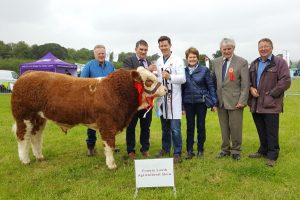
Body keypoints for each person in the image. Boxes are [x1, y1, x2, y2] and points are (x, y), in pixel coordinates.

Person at [248, 38, 291, 167]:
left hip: (271, 104)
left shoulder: (279, 63)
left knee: (271, 131)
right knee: (261, 129)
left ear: (271, 48)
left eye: (266, 46)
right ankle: (263, 150)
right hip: (256, 103)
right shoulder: (254, 63)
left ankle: (272, 155)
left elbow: (286, 81)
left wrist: (272, 94)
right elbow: (248, 80)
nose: (263, 49)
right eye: (261, 47)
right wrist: (251, 88)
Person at [211, 38, 249, 160]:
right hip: (220, 101)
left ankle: (236, 150)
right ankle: (225, 149)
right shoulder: (215, 62)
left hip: (235, 101)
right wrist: (214, 100)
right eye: (224, 49)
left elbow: (245, 84)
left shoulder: (242, 62)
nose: (226, 51)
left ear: (233, 48)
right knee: (224, 127)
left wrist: (242, 101)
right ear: (221, 49)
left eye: (229, 49)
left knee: (235, 127)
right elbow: (213, 81)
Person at [123, 39, 157, 159]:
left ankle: (145, 148)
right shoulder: (128, 60)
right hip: (133, 102)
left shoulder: (149, 62)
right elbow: (129, 76)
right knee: (131, 126)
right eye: (141, 49)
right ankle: (130, 150)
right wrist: (148, 71)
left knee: (145, 126)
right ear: (135, 49)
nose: (143, 52)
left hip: (146, 101)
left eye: (145, 50)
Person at [182, 47, 218, 159]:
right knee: (190, 126)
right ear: (187, 58)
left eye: (194, 57)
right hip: (188, 102)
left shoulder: (204, 70)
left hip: (201, 102)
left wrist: (214, 102)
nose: (192, 59)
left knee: (201, 126)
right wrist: (182, 106)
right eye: (190, 57)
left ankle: (200, 150)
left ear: (197, 58)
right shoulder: (183, 71)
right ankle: (189, 150)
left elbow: (210, 86)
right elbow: (181, 90)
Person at [155, 36, 186, 163]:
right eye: (161, 46)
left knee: (175, 128)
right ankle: (165, 149)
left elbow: (183, 79)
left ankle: (177, 152)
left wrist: (169, 76)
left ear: (170, 45)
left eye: (165, 45)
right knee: (165, 127)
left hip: (174, 98)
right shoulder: (158, 61)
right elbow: (158, 79)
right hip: (162, 98)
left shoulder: (177, 60)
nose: (163, 48)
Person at [80, 44, 115, 156]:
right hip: (93, 100)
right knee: (92, 124)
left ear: (105, 54)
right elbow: (82, 82)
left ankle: (111, 145)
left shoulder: (110, 65)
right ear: (95, 54)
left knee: (110, 124)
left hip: (109, 100)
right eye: (99, 53)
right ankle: (91, 147)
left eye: (103, 53)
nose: (101, 55)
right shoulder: (89, 65)